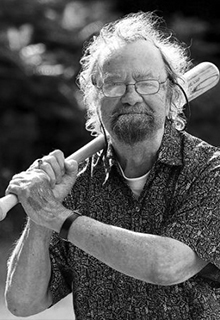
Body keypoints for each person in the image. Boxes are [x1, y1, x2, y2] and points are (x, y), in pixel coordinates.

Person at [4, 11, 220, 320]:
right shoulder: (76, 182)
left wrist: (58, 217)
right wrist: (41, 213)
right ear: (95, 100)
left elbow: (167, 265)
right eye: (114, 85)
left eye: (146, 83)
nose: (131, 97)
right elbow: (24, 302)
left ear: (172, 92)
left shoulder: (210, 171)